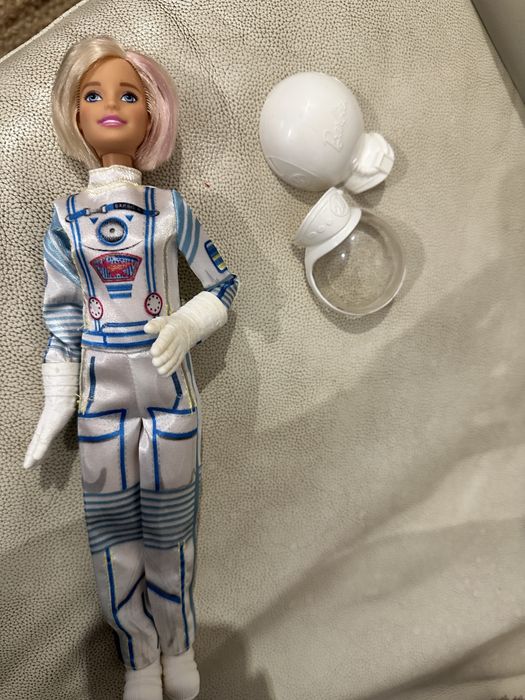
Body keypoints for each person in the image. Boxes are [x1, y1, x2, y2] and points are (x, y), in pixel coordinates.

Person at [23, 35, 239, 700]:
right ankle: (139, 659)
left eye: (128, 94)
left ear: (152, 114)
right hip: (101, 402)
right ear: (74, 114)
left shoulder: (170, 210)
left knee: (172, 532)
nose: (110, 105)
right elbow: (62, 313)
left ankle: (179, 645)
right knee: (113, 537)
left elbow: (224, 284)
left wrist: (187, 322)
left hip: (170, 394)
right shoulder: (64, 221)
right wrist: (56, 398)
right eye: (93, 95)